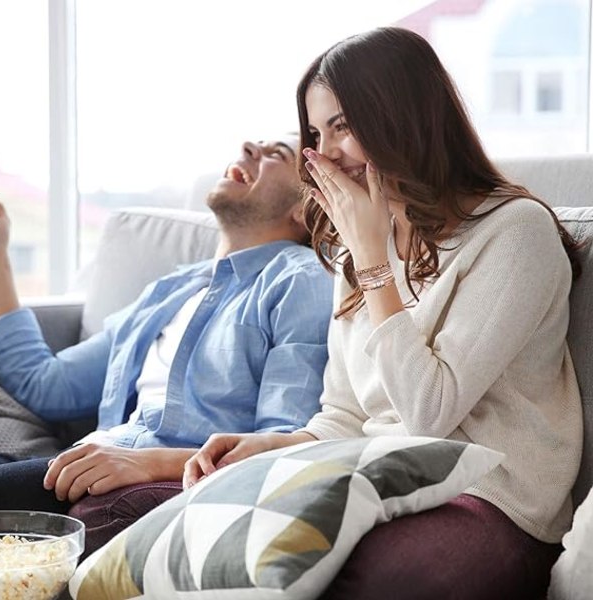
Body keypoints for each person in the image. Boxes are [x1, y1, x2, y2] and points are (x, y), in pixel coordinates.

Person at [183, 28, 583, 599]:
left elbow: (428, 415)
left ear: (404, 117)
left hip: (493, 501)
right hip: (379, 480)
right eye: (316, 133)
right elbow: (344, 417)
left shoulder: (514, 233)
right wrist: (268, 447)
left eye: (343, 126)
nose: (324, 153)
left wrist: (373, 260)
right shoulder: (358, 247)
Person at [0, 134, 333, 517]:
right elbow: (48, 386)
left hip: (149, 485)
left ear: (305, 209)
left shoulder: (301, 281)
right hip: (84, 463)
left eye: (277, 154)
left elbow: (282, 444)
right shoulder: (169, 291)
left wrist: (147, 462)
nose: (250, 148)